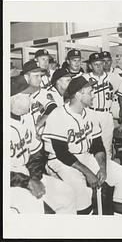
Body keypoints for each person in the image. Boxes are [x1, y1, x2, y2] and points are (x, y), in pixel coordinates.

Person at [42, 76, 122, 215]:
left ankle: (117, 223)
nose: (94, 95)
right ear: (78, 95)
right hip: (61, 161)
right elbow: (62, 153)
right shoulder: (58, 115)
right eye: (90, 92)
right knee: (82, 195)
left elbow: (97, 145)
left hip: (84, 156)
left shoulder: (90, 114)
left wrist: (103, 168)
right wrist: (88, 172)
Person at [10, 75, 76, 214]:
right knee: (35, 205)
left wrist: (34, 177)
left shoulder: (26, 118)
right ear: (13, 99)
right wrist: (27, 182)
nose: (31, 98)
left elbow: (36, 154)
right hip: (10, 182)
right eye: (27, 95)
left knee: (68, 194)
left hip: (26, 172)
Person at [83, 52, 122, 160]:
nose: (98, 66)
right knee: (90, 147)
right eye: (95, 64)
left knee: (107, 148)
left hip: (107, 114)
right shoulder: (84, 78)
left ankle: (108, 173)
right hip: (90, 113)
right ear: (90, 66)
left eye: (100, 63)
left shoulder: (113, 77)